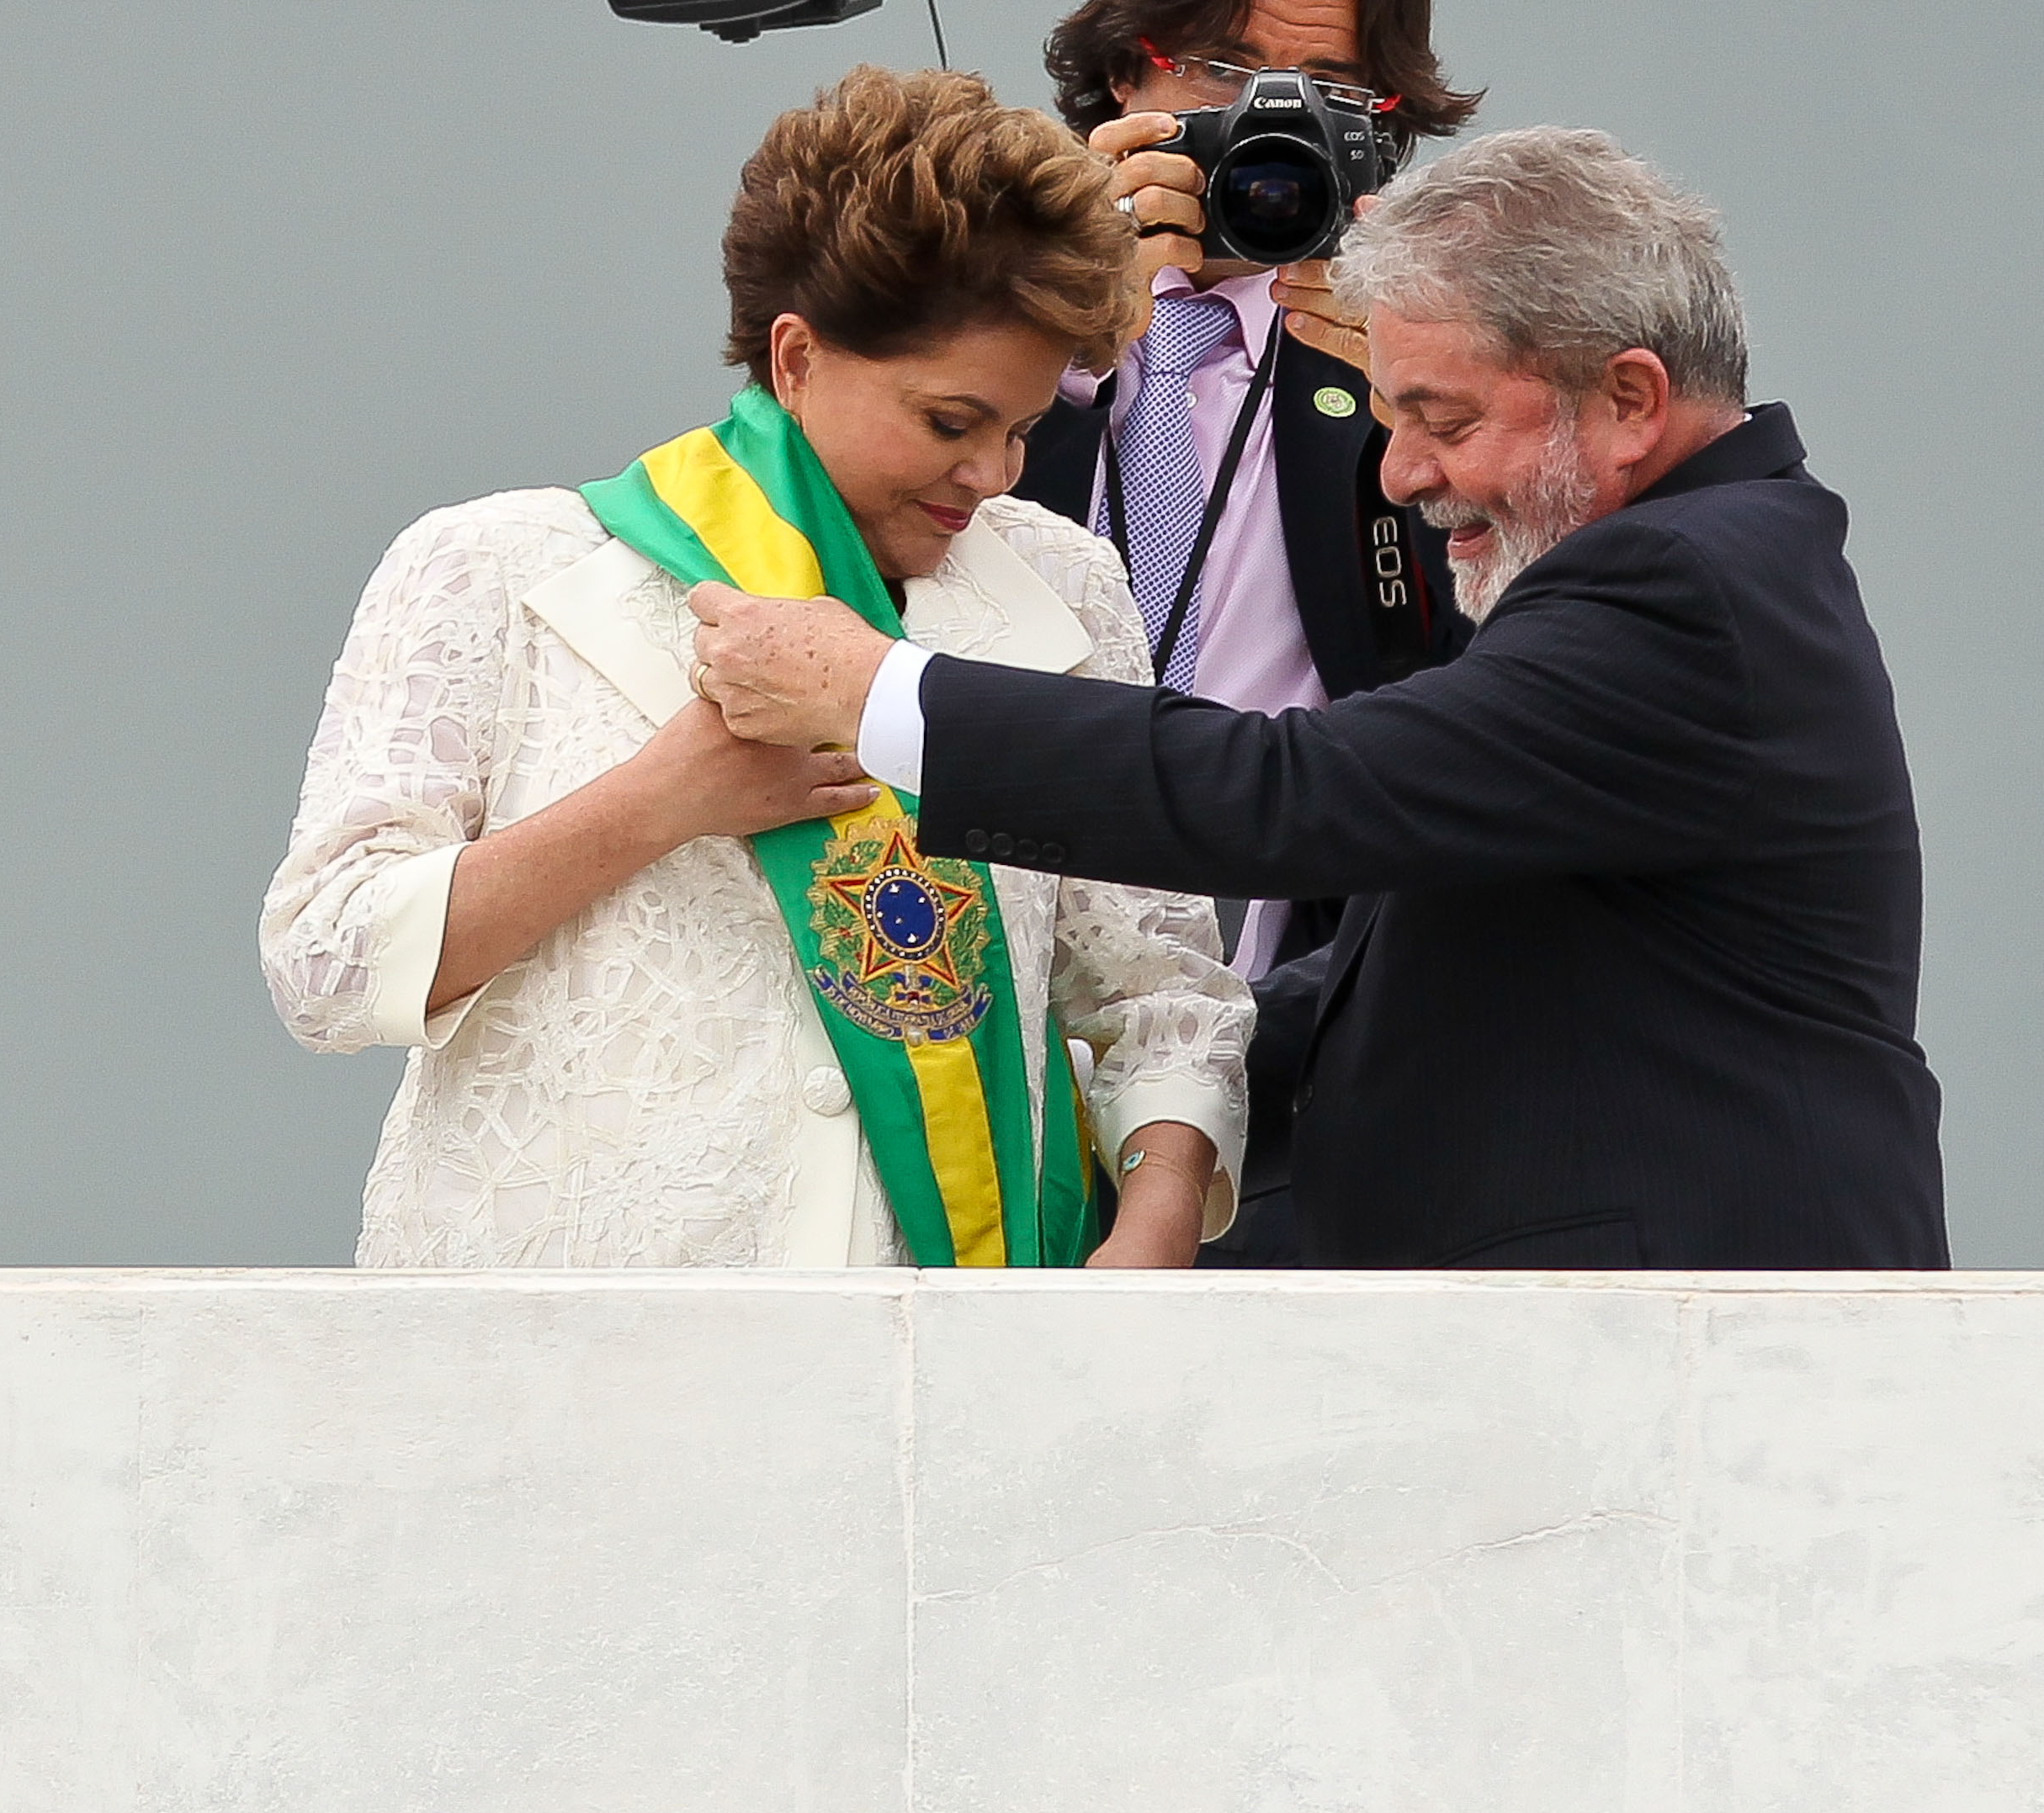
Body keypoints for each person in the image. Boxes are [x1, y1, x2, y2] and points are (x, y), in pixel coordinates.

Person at [687, 128, 1947, 1269]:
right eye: (1389, 416)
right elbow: (1410, 982)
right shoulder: (1694, 570)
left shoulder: (1677, 588)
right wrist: (1131, 1086)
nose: (1398, 475)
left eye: (1437, 418)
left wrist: (880, 696)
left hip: (1685, 1364)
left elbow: (1296, 792)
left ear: (1626, 400)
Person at [263, 67, 1251, 1270]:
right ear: (794, 357)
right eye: (948, 422)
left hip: (937, 1367)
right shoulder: (496, 567)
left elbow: (1161, 992)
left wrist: (1145, 1246)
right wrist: (662, 798)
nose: (993, 473)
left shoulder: (1063, 587)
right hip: (546, 1367)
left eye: (1022, 428)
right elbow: (328, 965)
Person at [1017, 0, 1483, 1264]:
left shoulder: (1409, 371)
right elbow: (855, 588)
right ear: (1125, 72)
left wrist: (1427, 441)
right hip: (983, 1055)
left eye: (1323, 87)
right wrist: (1046, 324)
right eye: (1223, 71)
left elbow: (1493, 704)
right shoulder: (997, 337)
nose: (1260, 122)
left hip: (1282, 1084)